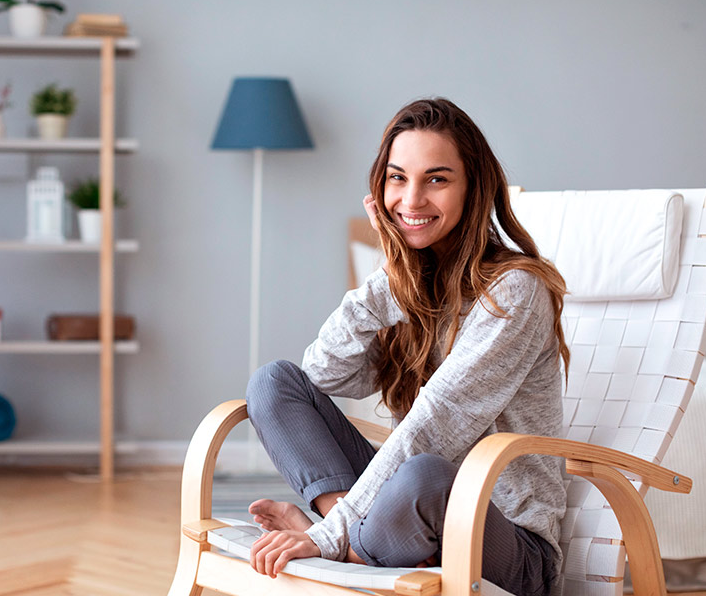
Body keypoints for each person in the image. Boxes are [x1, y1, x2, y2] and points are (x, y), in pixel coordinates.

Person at [244, 98, 570, 596]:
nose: (412, 200)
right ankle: (353, 532)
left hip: (507, 548)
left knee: (426, 475)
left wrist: (326, 536)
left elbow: (439, 422)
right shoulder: (409, 283)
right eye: (398, 178)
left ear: (472, 188)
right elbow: (322, 373)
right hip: (399, 515)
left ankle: (340, 539)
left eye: (436, 179)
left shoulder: (515, 290)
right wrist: (391, 272)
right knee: (272, 382)